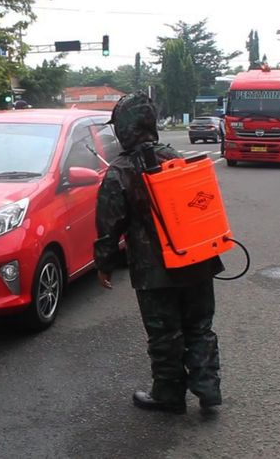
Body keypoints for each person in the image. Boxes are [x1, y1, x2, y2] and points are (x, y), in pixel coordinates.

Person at [94, 92, 224, 415]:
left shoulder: (119, 171)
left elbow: (109, 225)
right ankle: (208, 391)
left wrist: (104, 265)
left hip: (153, 272)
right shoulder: (177, 157)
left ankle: (168, 394)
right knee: (199, 327)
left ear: (123, 128)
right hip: (195, 259)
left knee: (165, 335)